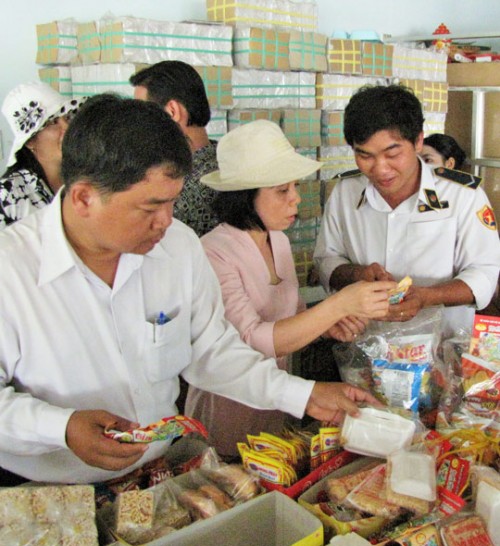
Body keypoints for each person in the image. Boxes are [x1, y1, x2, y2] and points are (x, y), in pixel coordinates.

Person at [0, 94, 380, 485]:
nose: (166, 222)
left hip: (157, 473)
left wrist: (302, 395)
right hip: (45, 489)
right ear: (84, 198)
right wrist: (61, 428)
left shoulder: (177, 248)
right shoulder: (11, 269)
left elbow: (212, 350)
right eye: (150, 208)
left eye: (172, 203)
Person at [184, 120, 395, 458]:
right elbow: (251, 340)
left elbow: (293, 317)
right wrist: (338, 305)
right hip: (226, 411)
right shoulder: (212, 252)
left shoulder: (279, 241)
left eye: (295, 186)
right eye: (282, 191)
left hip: (278, 406)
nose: (296, 198)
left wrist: (326, 326)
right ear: (245, 197)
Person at [314, 84, 500, 336]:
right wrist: (358, 274)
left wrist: (427, 297)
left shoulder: (462, 195)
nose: (380, 169)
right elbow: (326, 259)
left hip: (442, 345)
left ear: (418, 141)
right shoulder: (345, 192)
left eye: (392, 154)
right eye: (365, 156)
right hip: (363, 343)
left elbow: (485, 273)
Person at [130, 61, 219, 237]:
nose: (138, 125)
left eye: (144, 114)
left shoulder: (191, 189)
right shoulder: (221, 158)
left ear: (172, 111)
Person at [0, 81, 84, 230]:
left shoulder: (83, 176)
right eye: (53, 122)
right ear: (30, 141)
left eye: (67, 118)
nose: (67, 128)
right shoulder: (8, 194)